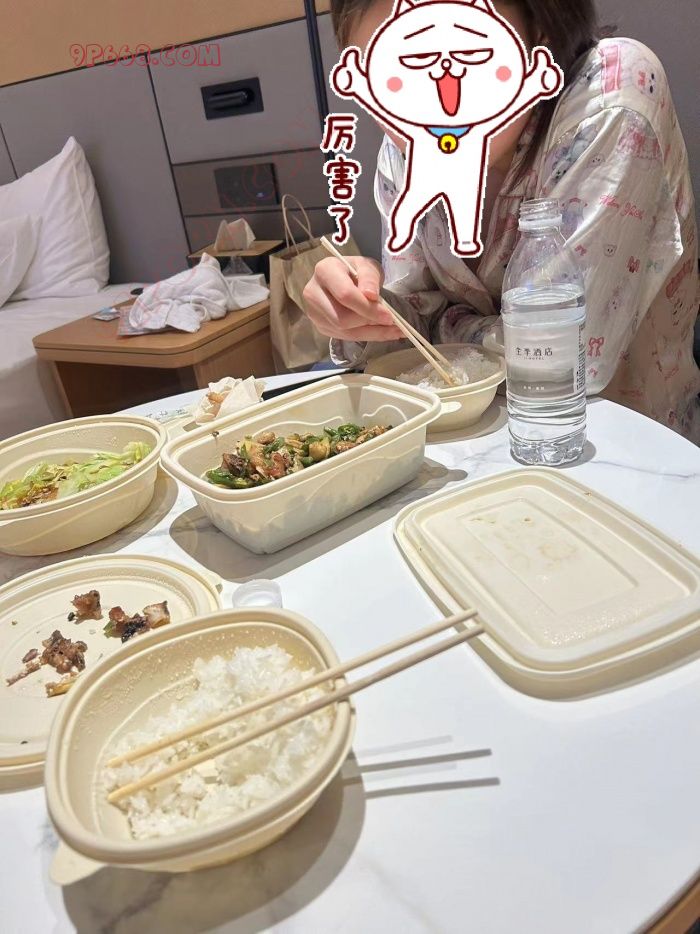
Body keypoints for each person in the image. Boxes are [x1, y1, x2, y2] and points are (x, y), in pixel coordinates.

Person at [303, 0, 700, 442]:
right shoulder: (405, 149)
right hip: (460, 446)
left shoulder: (611, 94)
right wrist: (362, 310)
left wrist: (440, 324)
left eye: (471, 56)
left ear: (538, 27)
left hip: (621, 447)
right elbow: (412, 343)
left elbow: (562, 357)